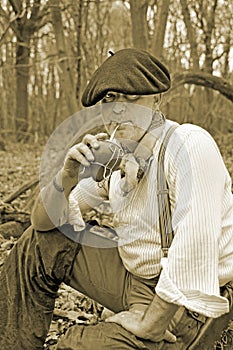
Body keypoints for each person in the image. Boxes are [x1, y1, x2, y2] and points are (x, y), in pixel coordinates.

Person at [0, 48, 233, 350]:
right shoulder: (114, 156)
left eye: (131, 97)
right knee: (38, 244)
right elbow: (43, 224)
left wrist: (150, 323)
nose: (119, 109)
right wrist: (67, 177)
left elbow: (196, 244)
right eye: (109, 100)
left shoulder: (189, 144)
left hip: (190, 304)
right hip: (135, 282)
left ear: (157, 100)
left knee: (76, 345)